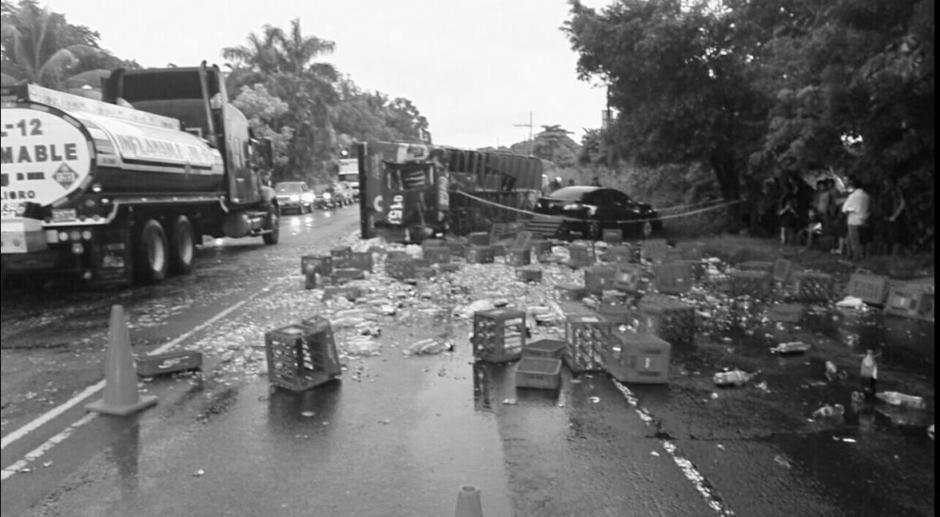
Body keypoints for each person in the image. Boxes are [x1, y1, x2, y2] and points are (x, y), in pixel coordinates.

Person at [841, 176, 871, 261]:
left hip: (853, 221)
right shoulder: (866, 196)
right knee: (858, 241)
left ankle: (855, 257)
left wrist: (850, 210)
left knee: (853, 241)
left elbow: (844, 209)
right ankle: (852, 255)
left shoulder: (853, 196)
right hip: (863, 220)